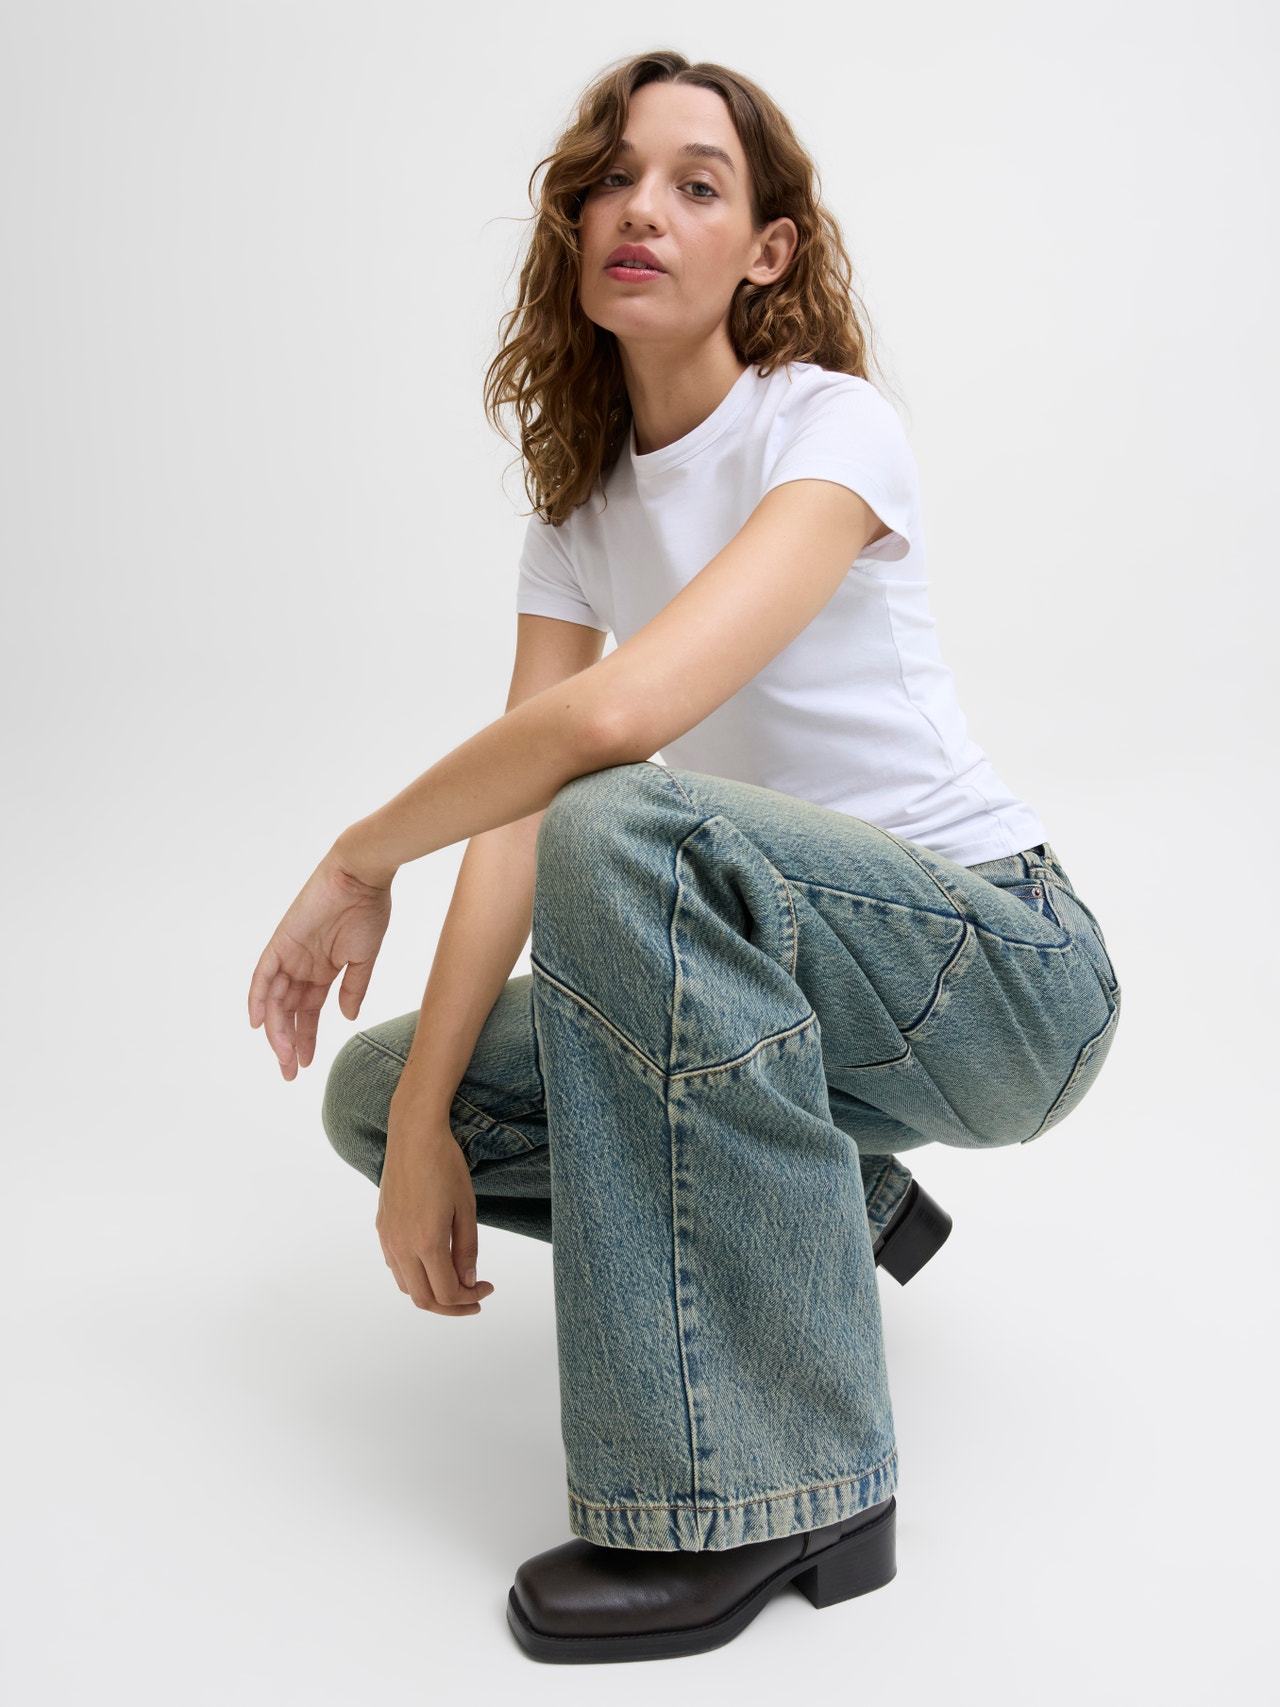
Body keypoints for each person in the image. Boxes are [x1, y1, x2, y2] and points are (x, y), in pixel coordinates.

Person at [247, 49, 1122, 1665]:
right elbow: (514, 823)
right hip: (783, 987)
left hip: (1000, 972)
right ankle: (826, 1196)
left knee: (623, 817)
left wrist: (358, 857)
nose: (639, 208)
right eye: (613, 179)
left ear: (767, 251)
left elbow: (612, 724)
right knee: (385, 1089)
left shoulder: (831, 428)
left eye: (695, 185)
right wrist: (428, 1124)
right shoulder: (581, 514)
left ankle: (770, 1491)